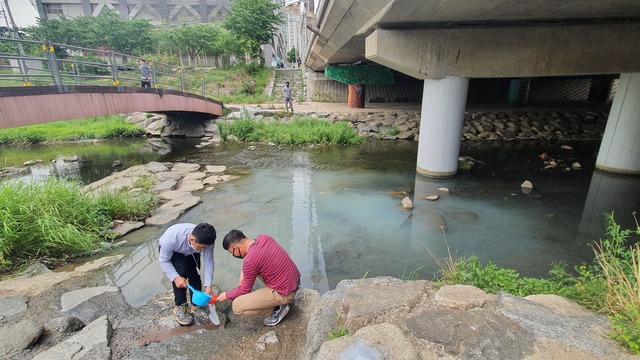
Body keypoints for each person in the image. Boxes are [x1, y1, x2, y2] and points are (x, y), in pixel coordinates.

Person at [217, 230, 301, 326]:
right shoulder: (263, 238)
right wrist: (243, 272)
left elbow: (244, 290)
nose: (233, 255)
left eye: (232, 253)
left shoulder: (250, 262)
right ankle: (277, 301)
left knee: (237, 306)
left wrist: (227, 295)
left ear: (236, 248)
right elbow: (252, 259)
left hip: (286, 293)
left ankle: (277, 309)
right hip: (295, 281)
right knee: (259, 267)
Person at [158, 223, 217, 326]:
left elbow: (209, 260)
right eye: (201, 247)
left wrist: (208, 285)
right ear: (192, 239)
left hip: (191, 251)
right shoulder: (171, 239)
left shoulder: (207, 240)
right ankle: (181, 306)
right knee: (181, 267)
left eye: (204, 248)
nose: (203, 249)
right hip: (175, 252)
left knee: (194, 272)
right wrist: (175, 277)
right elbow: (164, 260)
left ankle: (196, 305)